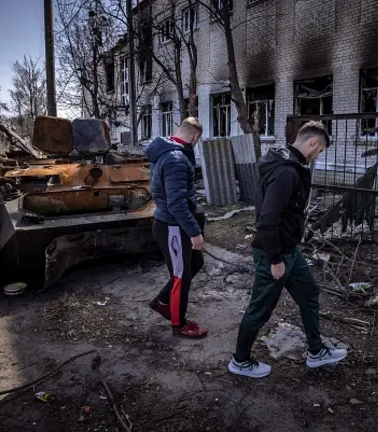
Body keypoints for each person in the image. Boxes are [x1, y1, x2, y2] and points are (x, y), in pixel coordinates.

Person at [228, 121, 347, 378]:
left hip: (291, 252)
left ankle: (316, 351)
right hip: (276, 255)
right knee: (260, 309)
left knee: (310, 294)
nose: (318, 156)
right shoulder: (286, 173)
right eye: (321, 150)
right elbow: (268, 219)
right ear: (313, 142)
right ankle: (240, 360)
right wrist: (274, 259)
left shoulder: (289, 166)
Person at [145, 117, 209, 338]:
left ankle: (163, 302)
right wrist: (194, 232)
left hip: (170, 223)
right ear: (195, 136)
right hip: (173, 226)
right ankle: (179, 323)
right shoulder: (175, 159)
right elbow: (177, 203)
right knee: (181, 275)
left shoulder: (167, 151)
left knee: (195, 263)